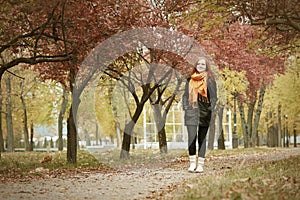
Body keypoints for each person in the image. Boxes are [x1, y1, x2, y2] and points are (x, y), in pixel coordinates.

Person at [182, 57, 217, 173]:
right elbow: (185, 96)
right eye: (199, 64)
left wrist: (209, 109)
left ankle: (200, 164)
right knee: (192, 138)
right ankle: (192, 163)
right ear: (195, 65)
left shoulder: (210, 80)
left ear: (206, 66)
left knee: (202, 139)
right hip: (191, 112)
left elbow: (214, 97)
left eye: (203, 64)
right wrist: (186, 107)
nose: (200, 66)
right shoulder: (189, 80)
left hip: (204, 113)